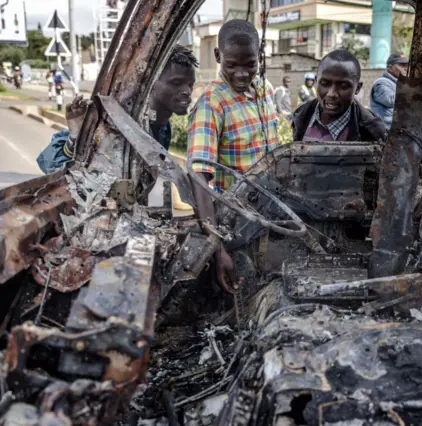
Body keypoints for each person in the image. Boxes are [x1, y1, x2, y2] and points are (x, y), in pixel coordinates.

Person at [187, 19, 279, 293]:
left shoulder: (265, 90)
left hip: (272, 215)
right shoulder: (211, 103)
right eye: (232, 65)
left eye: (250, 64)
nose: (242, 74)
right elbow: (199, 177)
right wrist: (216, 248)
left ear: (260, 56)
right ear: (218, 57)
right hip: (238, 227)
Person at [36, 45, 198, 174]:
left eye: (190, 84)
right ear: (152, 82)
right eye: (176, 83)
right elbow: (48, 164)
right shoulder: (121, 123)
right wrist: (76, 136)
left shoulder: (163, 127)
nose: (187, 91)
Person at [292, 49, 387, 142]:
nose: (331, 94)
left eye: (343, 86)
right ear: (316, 81)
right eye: (325, 83)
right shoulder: (302, 115)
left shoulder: (372, 131)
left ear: (357, 88)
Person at [370, 53, 409, 130]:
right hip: (386, 132)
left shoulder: (400, 84)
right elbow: (390, 100)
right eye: (402, 65)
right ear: (390, 68)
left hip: (400, 131)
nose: (406, 68)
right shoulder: (381, 83)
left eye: (407, 65)